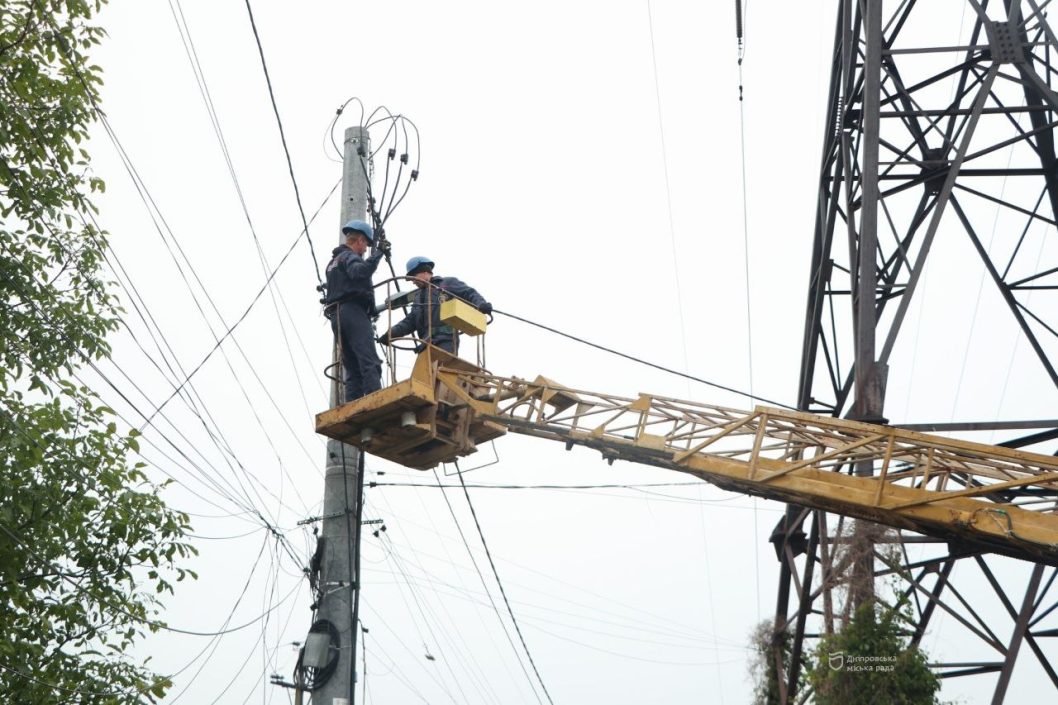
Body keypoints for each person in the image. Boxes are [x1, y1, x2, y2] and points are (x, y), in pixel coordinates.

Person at [323, 219, 391, 402]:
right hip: (352, 312)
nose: (364, 250)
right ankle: (375, 402)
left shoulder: (332, 263)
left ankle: (352, 406)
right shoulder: (349, 257)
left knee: (352, 366)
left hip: (336, 316)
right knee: (369, 362)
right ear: (360, 240)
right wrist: (378, 254)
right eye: (365, 245)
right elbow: (359, 272)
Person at [378, 256, 492, 355]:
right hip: (425, 344)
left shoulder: (446, 283)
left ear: (425, 272)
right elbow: (410, 321)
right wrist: (391, 333)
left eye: (414, 276)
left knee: (441, 371)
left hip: (445, 341)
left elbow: (469, 293)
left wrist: (481, 304)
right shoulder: (418, 297)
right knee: (423, 377)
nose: (413, 282)